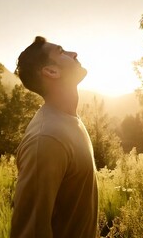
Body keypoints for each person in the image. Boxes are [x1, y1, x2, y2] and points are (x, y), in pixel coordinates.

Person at [10, 36, 98, 238]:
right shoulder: (47, 139)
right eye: (61, 51)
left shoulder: (69, 120)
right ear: (51, 71)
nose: (73, 53)